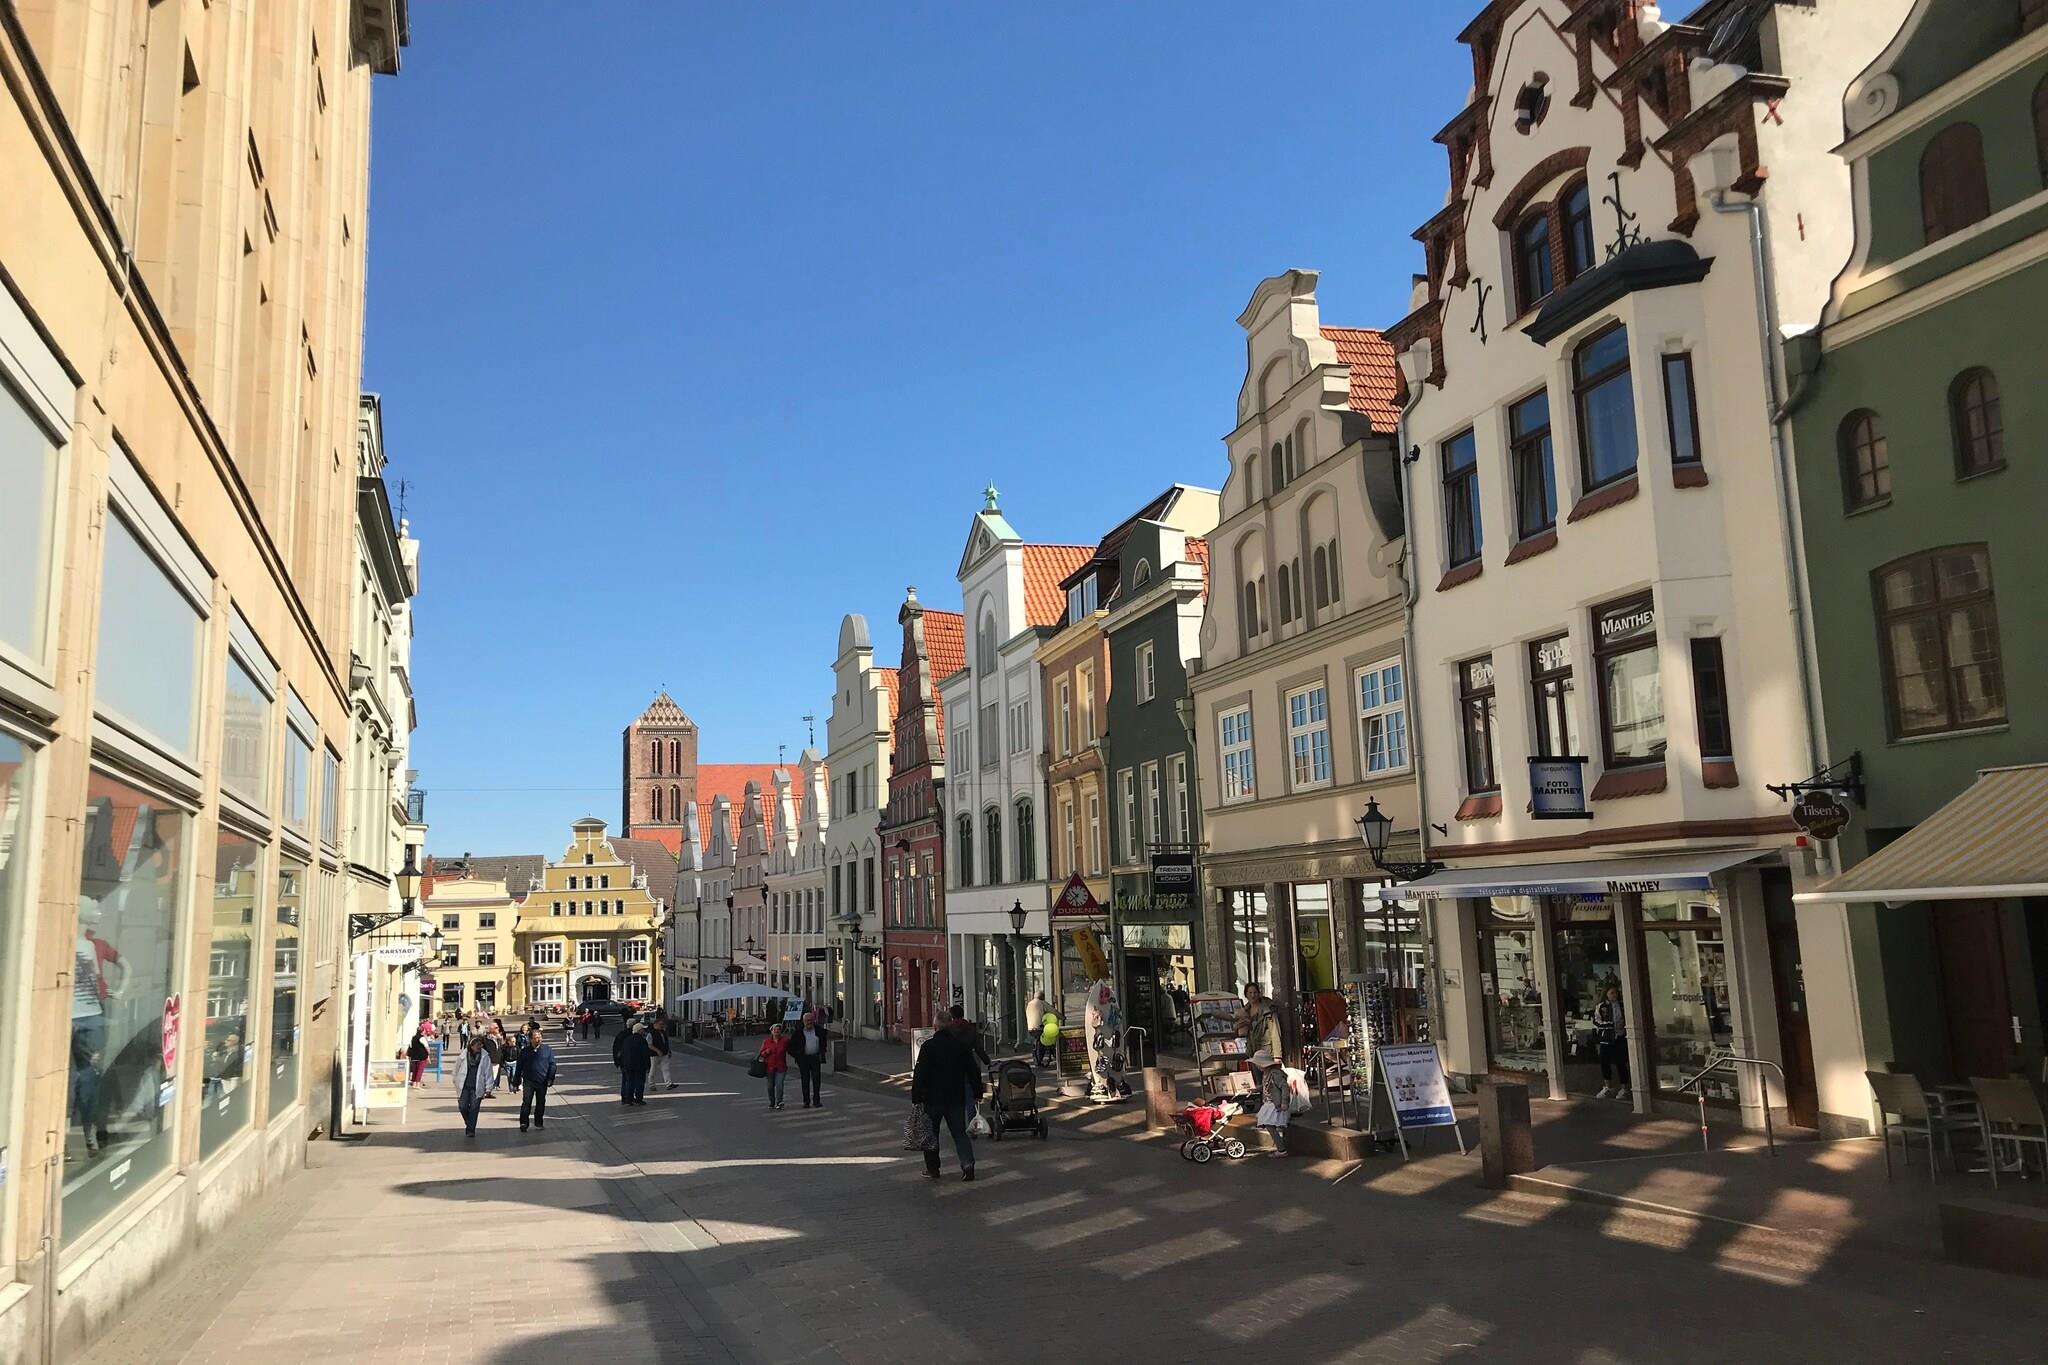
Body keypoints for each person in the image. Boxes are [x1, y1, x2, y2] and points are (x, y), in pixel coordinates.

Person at [911, 1006, 984, 1181]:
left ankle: (933, 1169)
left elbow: (920, 1073)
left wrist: (916, 1097)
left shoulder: (928, 1046)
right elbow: (973, 1070)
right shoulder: (961, 1046)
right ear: (950, 1026)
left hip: (932, 1099)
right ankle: (968, 1165)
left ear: (935, 1027)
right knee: (959, 1133)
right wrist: (977, 1092)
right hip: (955, 1097)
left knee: (931, 1135)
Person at [516, 1023, 557, 1132]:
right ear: (530, 1039)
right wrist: (516, 1082)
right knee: (526, 1102)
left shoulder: (547, 1050)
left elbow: (552, 1064)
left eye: (539, 1037)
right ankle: (524, 1123)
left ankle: (538, 1122)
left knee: (540, 1102)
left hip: (542, 1081)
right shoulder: (525, 1051)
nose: (537, 1039)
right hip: (528, 1080)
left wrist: (550, 1078)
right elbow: (519, 1067)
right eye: (535, 1038)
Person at [1250, 1048, 1290, 1157]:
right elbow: (1266, 1086)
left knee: (1270, 1125)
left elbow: (1285, 1087)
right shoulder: (1267, 1073)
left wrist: (1284, 1102)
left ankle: (1281, 1149)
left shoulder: (1275, 1074)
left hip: (1275, 1103)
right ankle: (1281, 1147)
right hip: (1270, 1103)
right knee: (1270, 1125)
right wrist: (1256, 1089)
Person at [451, 1035, 493, 1138]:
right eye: (477, 1045)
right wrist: (455, 1080)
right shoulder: (463, 1055)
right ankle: (469, 1122)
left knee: (474, 1108)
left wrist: (488, 1088)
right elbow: (456, 1069)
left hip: (477, 1087)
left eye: (480, 1045)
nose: (479, 1047)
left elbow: (488, 1072)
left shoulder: (484, 1057)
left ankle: (470, 1130)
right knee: (462, 1106)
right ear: (471, 1046)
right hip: (464, 1085)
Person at [1593, 985, 1630, 1100]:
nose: (1614, 995)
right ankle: (1607, 1086)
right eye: (1612, 993)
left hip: (1620, 1036)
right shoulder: (1601, 1006)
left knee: (1621, 1062)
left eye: (1616, 993)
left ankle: (1624, 1088)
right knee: (1604, 1062)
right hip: (1606, 1038)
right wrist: (1608, 1026)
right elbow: (1596, 1020)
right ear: (1606, 994)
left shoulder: (1622, 1005)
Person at [1235, 982, 1283, 1062]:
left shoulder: (1268, 1010)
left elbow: (1275, 1032)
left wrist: (1277, 1055)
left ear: (1259, 994)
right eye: (1250, 993)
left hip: (1266, 1052)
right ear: (1246, 995)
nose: (1253, 995)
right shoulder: (1245, 1012)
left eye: (1255, 992)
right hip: (1252, 1053)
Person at [792, 1009, 829, 1109]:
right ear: (803, 1021)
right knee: (805, 1080)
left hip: (815, 1058)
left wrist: (822, 1052)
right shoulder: (798, 1032)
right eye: (807, 1020)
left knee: (816, 1079)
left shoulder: (819, 1030)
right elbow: (791, 1046)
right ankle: (806, 1101)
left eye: (811, 1020)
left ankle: (816, 1101)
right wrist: (797, 1056)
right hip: (803, 1059)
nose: (809, 1022)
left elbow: (823, 1043)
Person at [613, 1020, 651, 1106]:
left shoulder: (627, 1040)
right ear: (639, 1030)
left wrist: (620, 1062)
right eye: (643, 1030)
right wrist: (648, 1065)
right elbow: (645, 1054)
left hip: (628, 1064)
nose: (644, 1031)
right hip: (639, 1065)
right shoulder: (642, 1040)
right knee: (639, 1082)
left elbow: (623, 1052)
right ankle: (638, 1099)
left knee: (629, 1082)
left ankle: (628, 1099)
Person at [758, 1024, 791, 1110]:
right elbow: (761, 1053)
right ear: (771, 1031)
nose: (777, 1031)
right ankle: (772, 1102)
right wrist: (766, 1052)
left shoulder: (785, 1040)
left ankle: (779, 1102)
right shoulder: (766, 1041)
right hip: (769, 1067)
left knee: (779, 1085)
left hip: (781, 1066)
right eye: (775, 1030)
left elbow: (790, 1049)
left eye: (778, 1029)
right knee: (770, 1086)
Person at [648, 1017, 676, 1090]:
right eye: (660, 1024)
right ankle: (651, 1084)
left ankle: (668, 1084)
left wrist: (668, 1050)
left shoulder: (663, 1032)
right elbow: (649, 1044)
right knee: (653, 1070)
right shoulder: (651, 1033)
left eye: (662, 1024)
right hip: (654, 1055)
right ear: (655, 1025)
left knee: (666, 1069)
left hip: (664, 1054)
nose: (662, 1025)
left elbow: (666, 1043)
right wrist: (657, 1050)